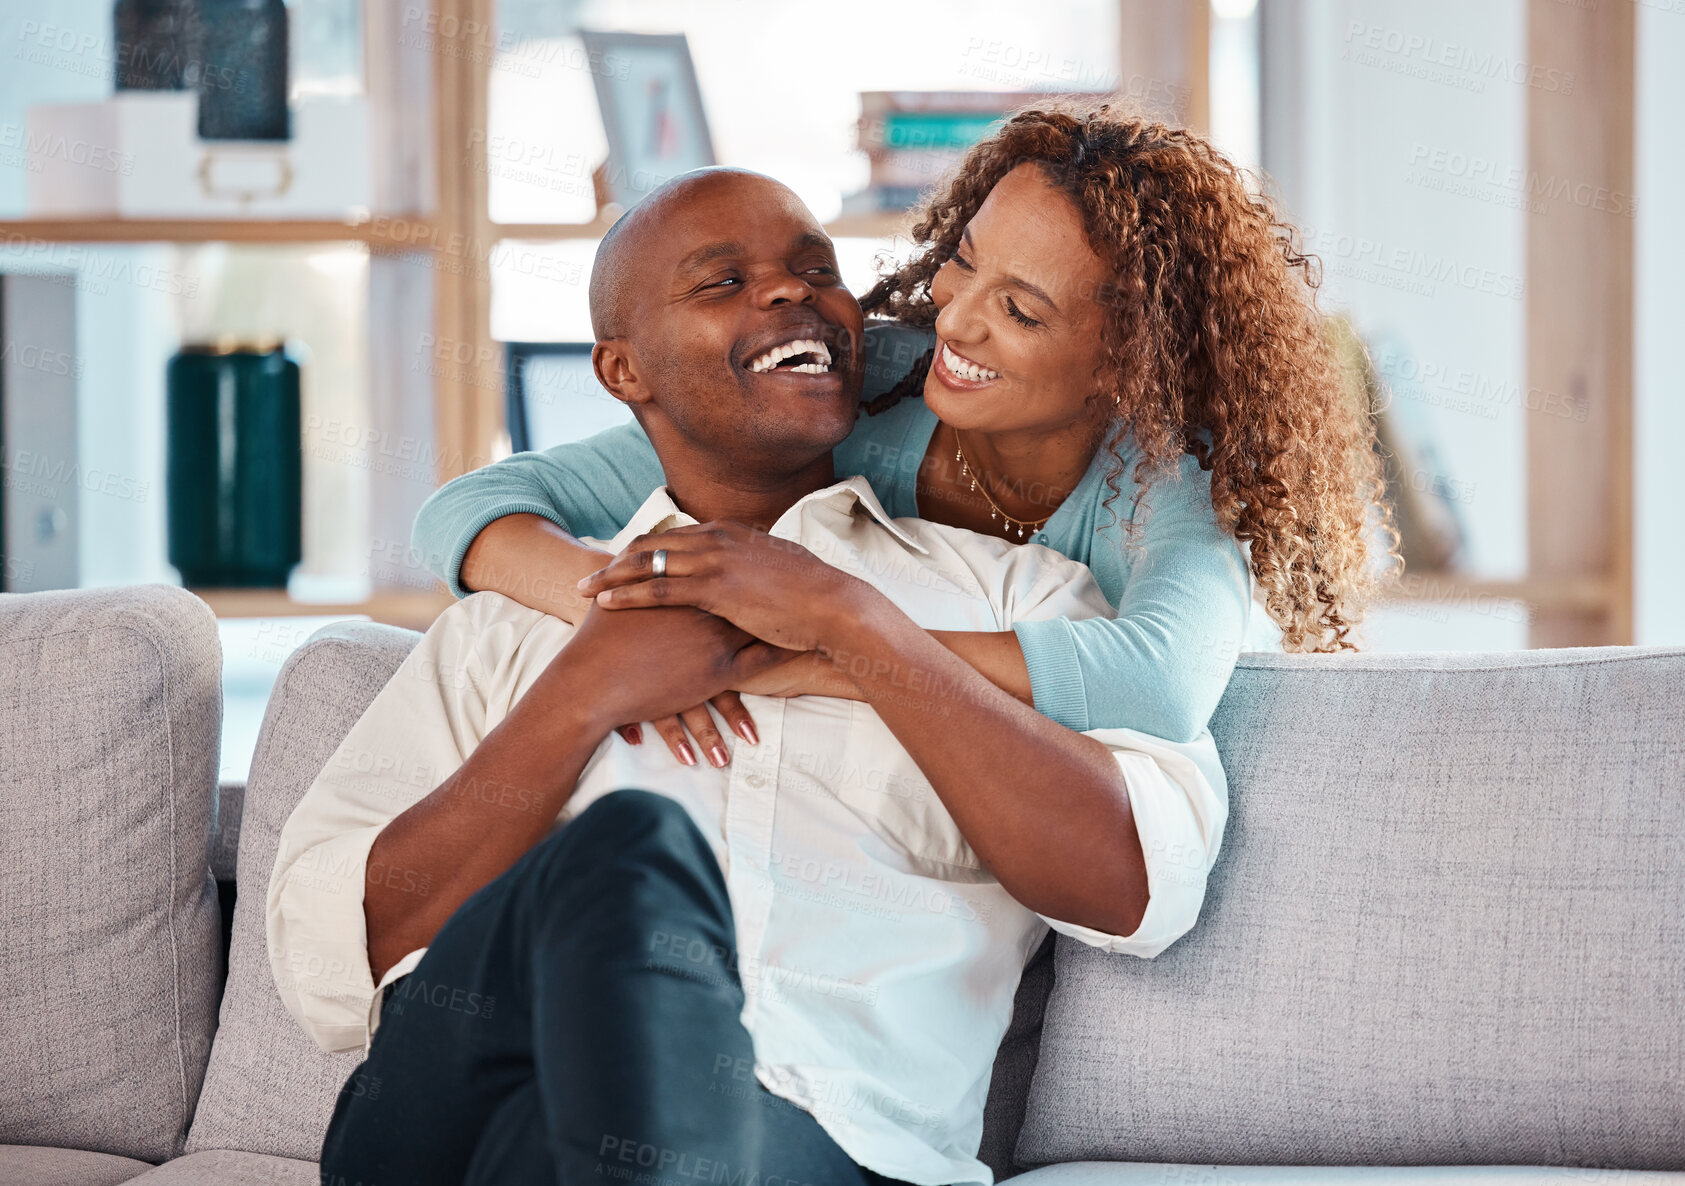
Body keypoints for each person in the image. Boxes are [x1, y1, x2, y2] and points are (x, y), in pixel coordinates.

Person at [269, 168, 1224, 1186]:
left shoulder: (1016, 603)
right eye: (720, 281)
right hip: (457, 1107)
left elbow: (1137, 887)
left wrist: (855, 628)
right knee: (627, 860)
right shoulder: (510, 631)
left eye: (816, 269)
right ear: (622, 371)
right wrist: (581, 691)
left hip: (821, 1146)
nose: (787, 292)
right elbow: (326, 962)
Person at [407, 102, 1396, 774]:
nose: (954, 322)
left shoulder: (1161, 485)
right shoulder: (867, 385)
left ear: (1121, 362)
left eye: (1019, 310)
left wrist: (784, 654)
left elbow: (1157, 683)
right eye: (962, 265)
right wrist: (628, 624)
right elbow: (471, 510)